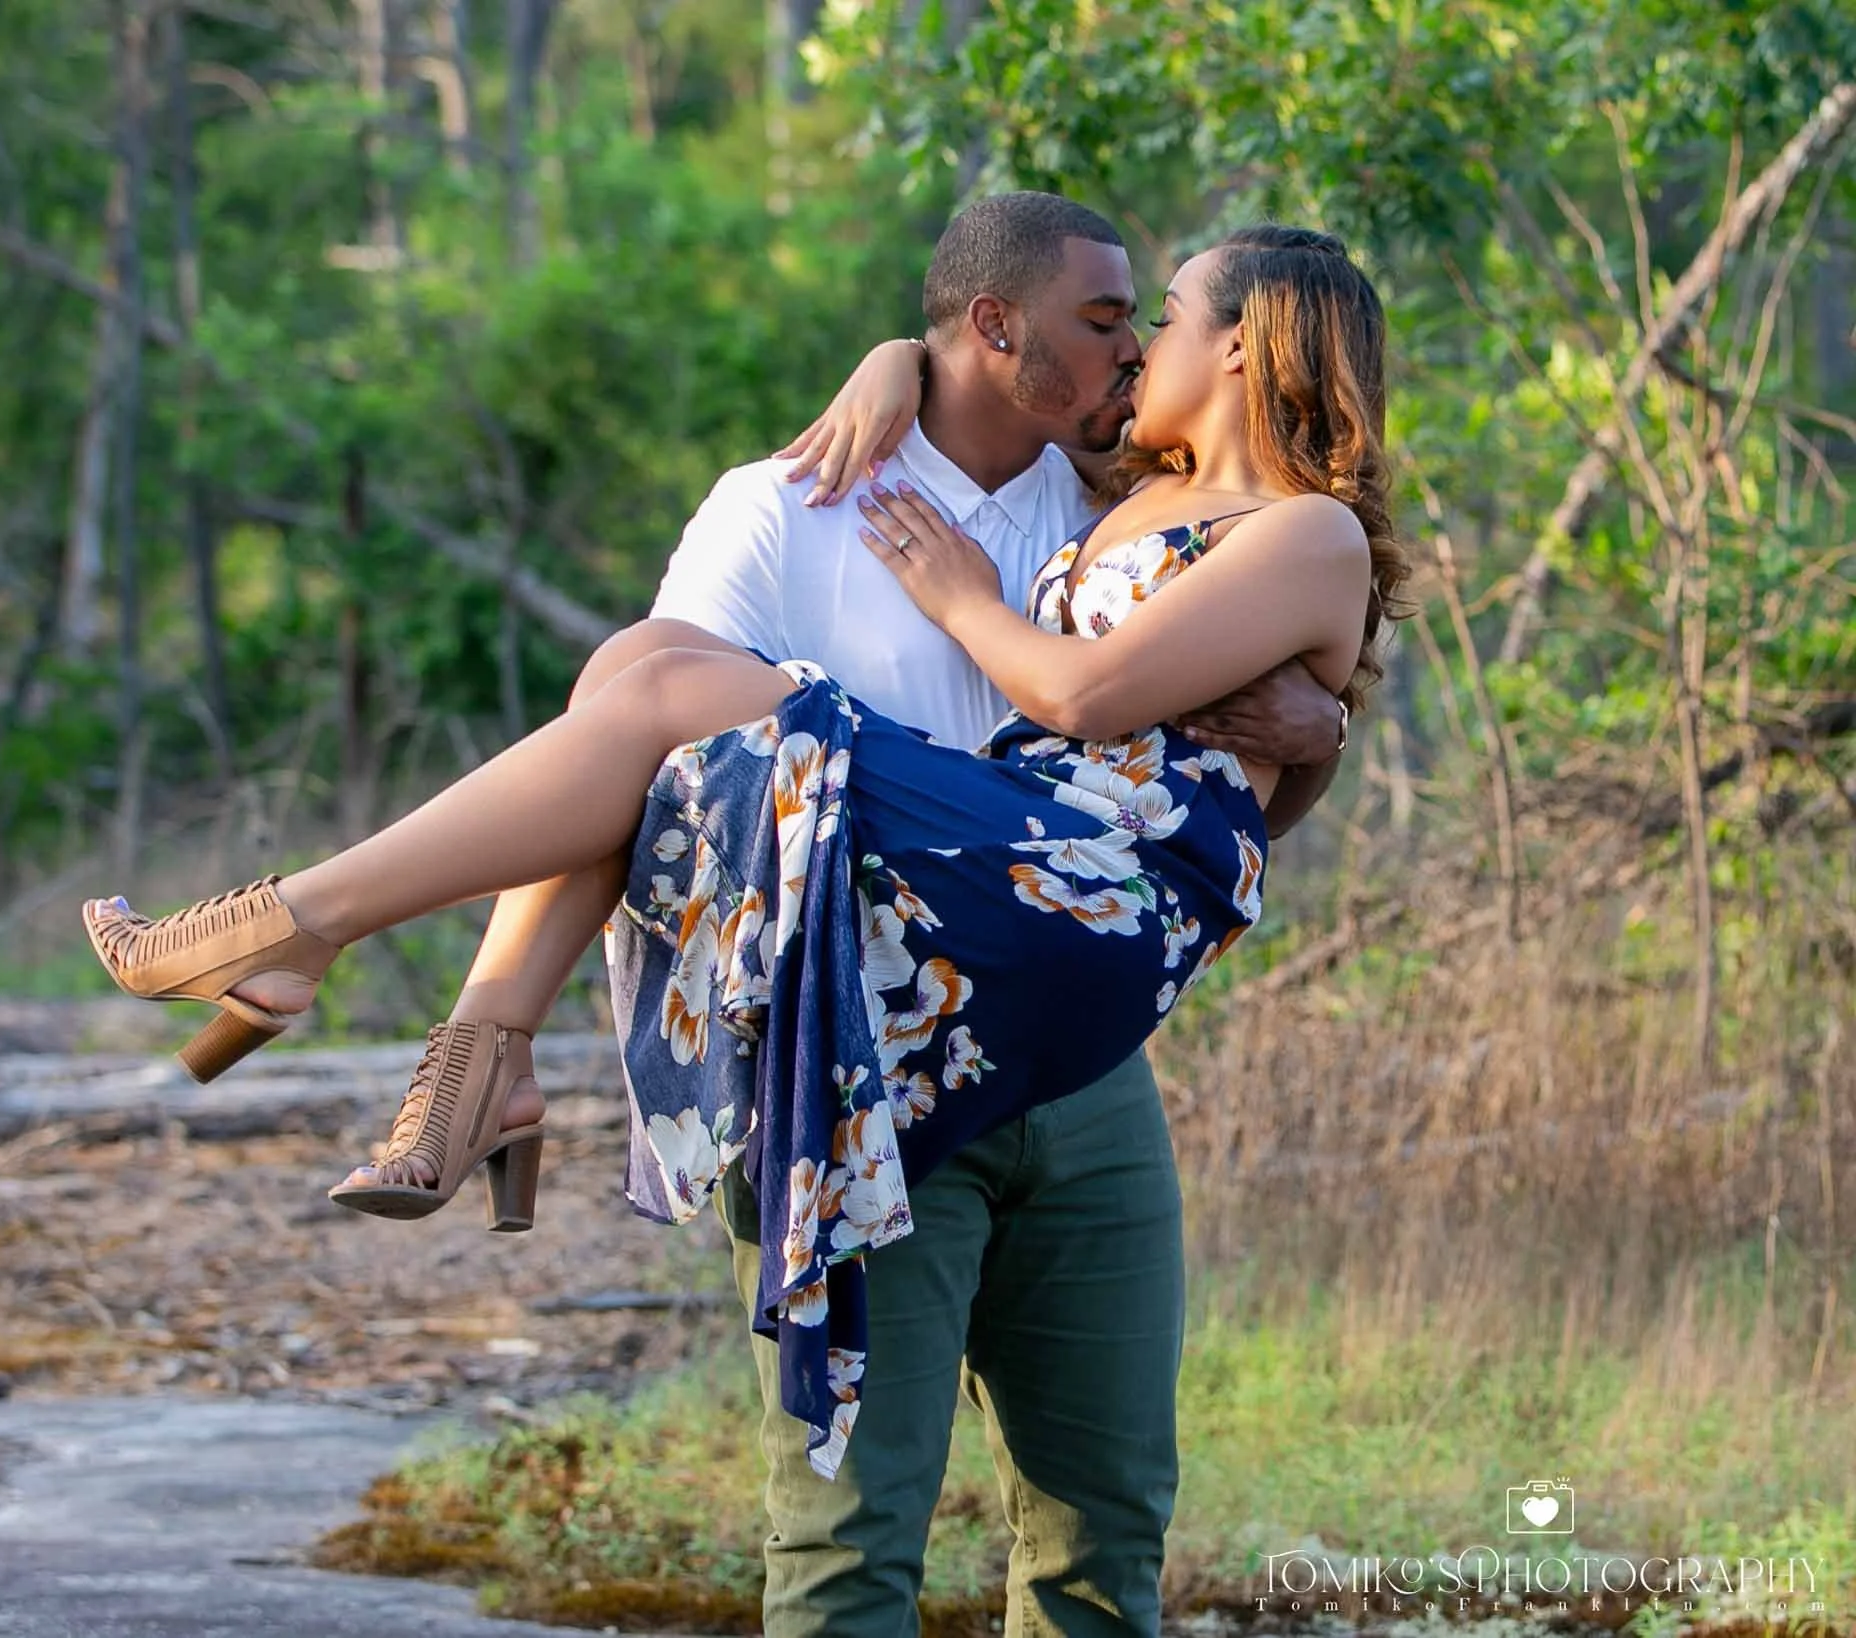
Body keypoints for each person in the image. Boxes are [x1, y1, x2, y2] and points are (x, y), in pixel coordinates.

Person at [81, 198, 1405, 1635]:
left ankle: (313, 936)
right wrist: (898, 361)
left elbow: (1137, 742)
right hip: (911, 965)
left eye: (1166, 316)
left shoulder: (1266, 522)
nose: (1139, 343)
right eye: (1113, 320)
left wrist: (1306, 723)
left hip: (1062, 912)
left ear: (1246, 345)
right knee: (647, 684)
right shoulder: (1001, 491)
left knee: (1100, 1537)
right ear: (990, 331)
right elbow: (643, 770)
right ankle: (427, 1014)